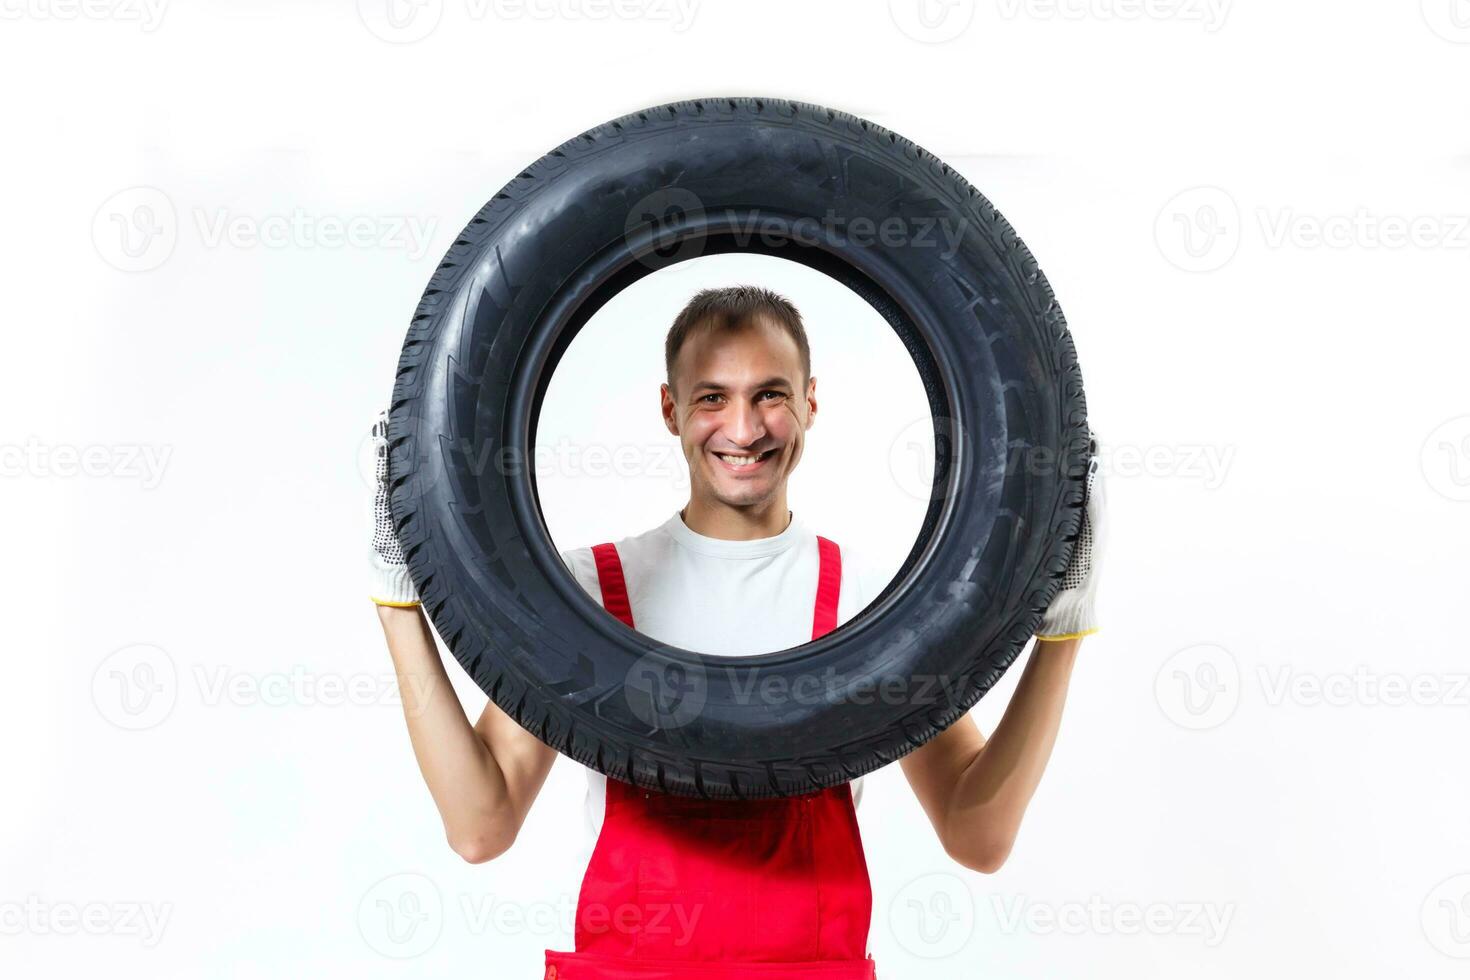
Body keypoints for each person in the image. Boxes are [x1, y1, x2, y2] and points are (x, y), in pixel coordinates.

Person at [370, 286, 1105, 980]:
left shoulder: (867, 601)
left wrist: (1061, 630)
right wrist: (398, 602)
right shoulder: (589, 591)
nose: (744, 429)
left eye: (771, 395)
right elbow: (480, 824)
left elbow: (977, 835)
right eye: (713, 397)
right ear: (670, 409)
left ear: (811, 403)